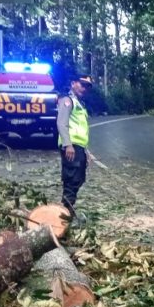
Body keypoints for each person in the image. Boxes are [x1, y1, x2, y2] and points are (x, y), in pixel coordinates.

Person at [57, 74, 94, 227]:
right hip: (71, 147)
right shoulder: (68, 101)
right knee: (71, 180)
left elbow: (81, 130)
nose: (84, 88)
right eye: (82, 84)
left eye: (87, 87)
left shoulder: (79, 104)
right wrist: (68, 145)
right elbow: (61, 123)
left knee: (78, 179)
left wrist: (86, 151)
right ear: (73, 83)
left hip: (78, 148)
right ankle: (65, 217)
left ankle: (67, 213)